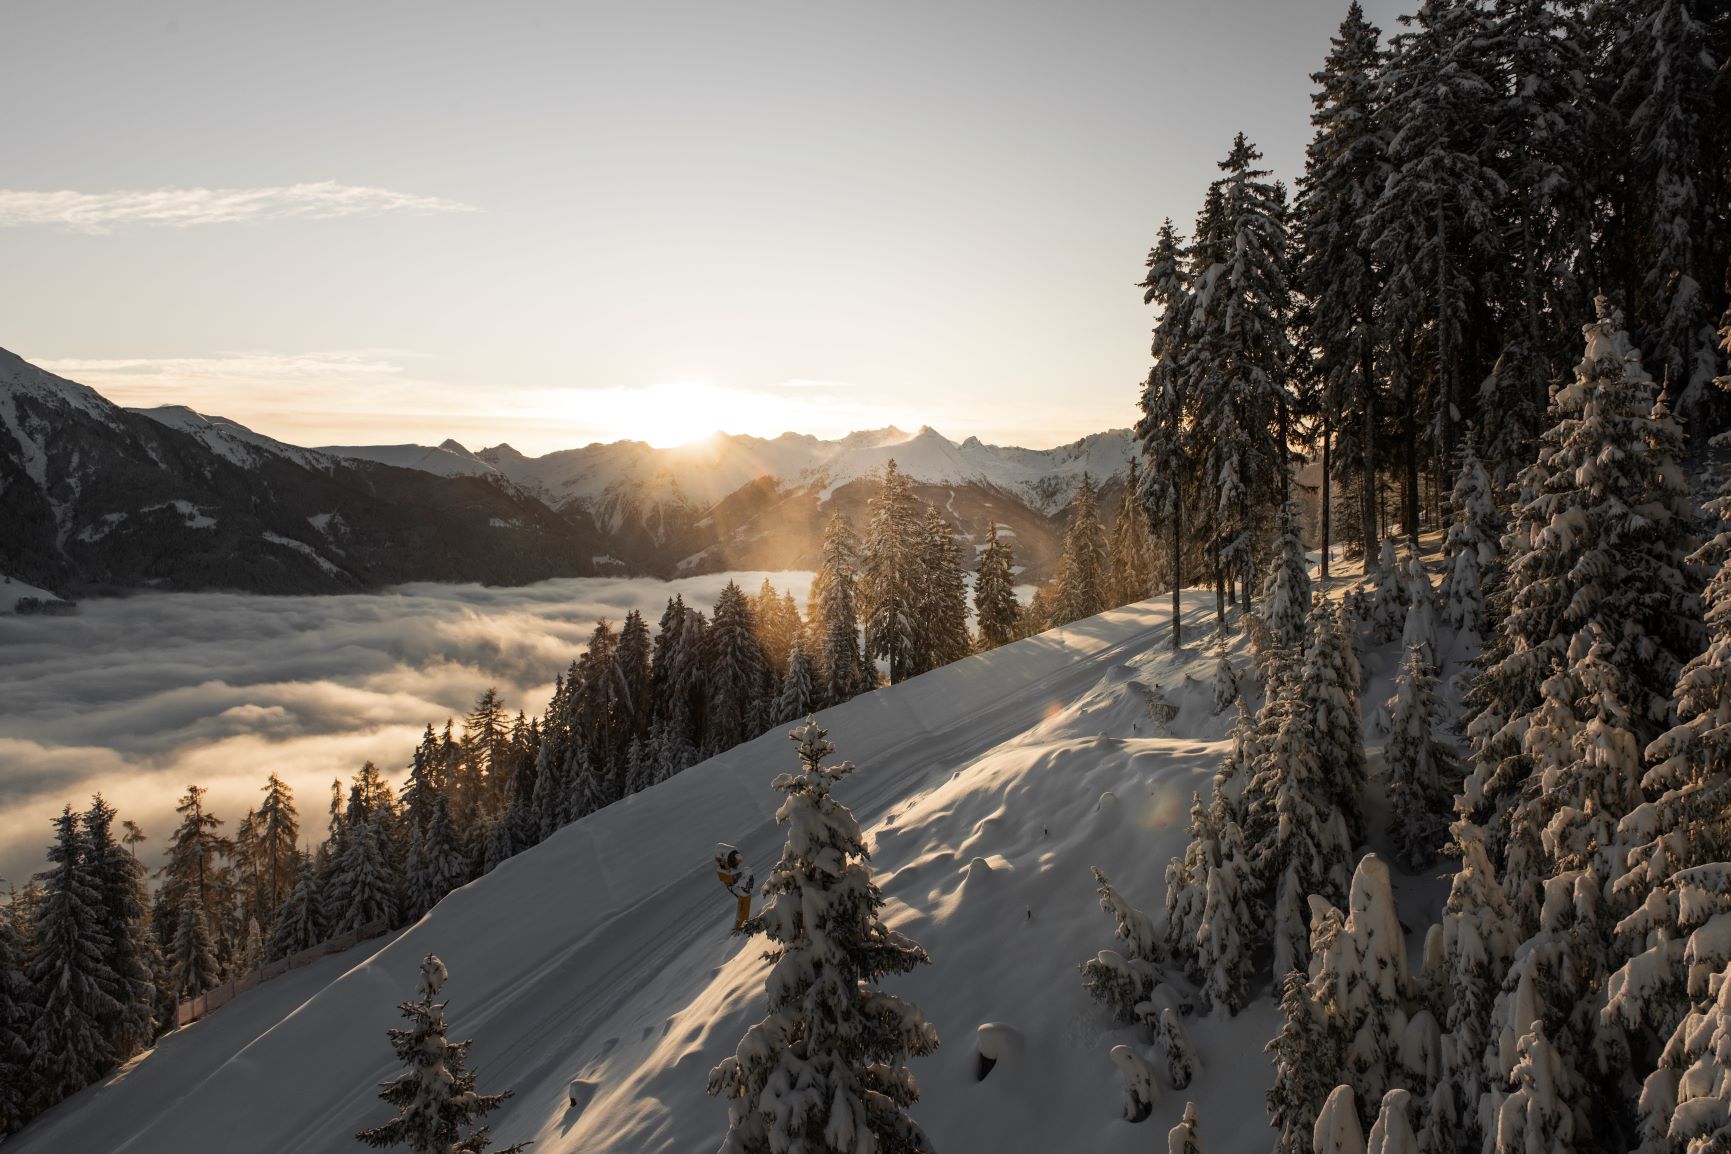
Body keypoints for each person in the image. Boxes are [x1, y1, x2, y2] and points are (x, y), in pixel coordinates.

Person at [714, 844, 754, 931]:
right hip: (737, 884)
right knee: (744, 895)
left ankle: (741, 927)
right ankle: (741, 927)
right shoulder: (729, 860)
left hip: (739, 887)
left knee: (744, 895)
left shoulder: (729, 859)